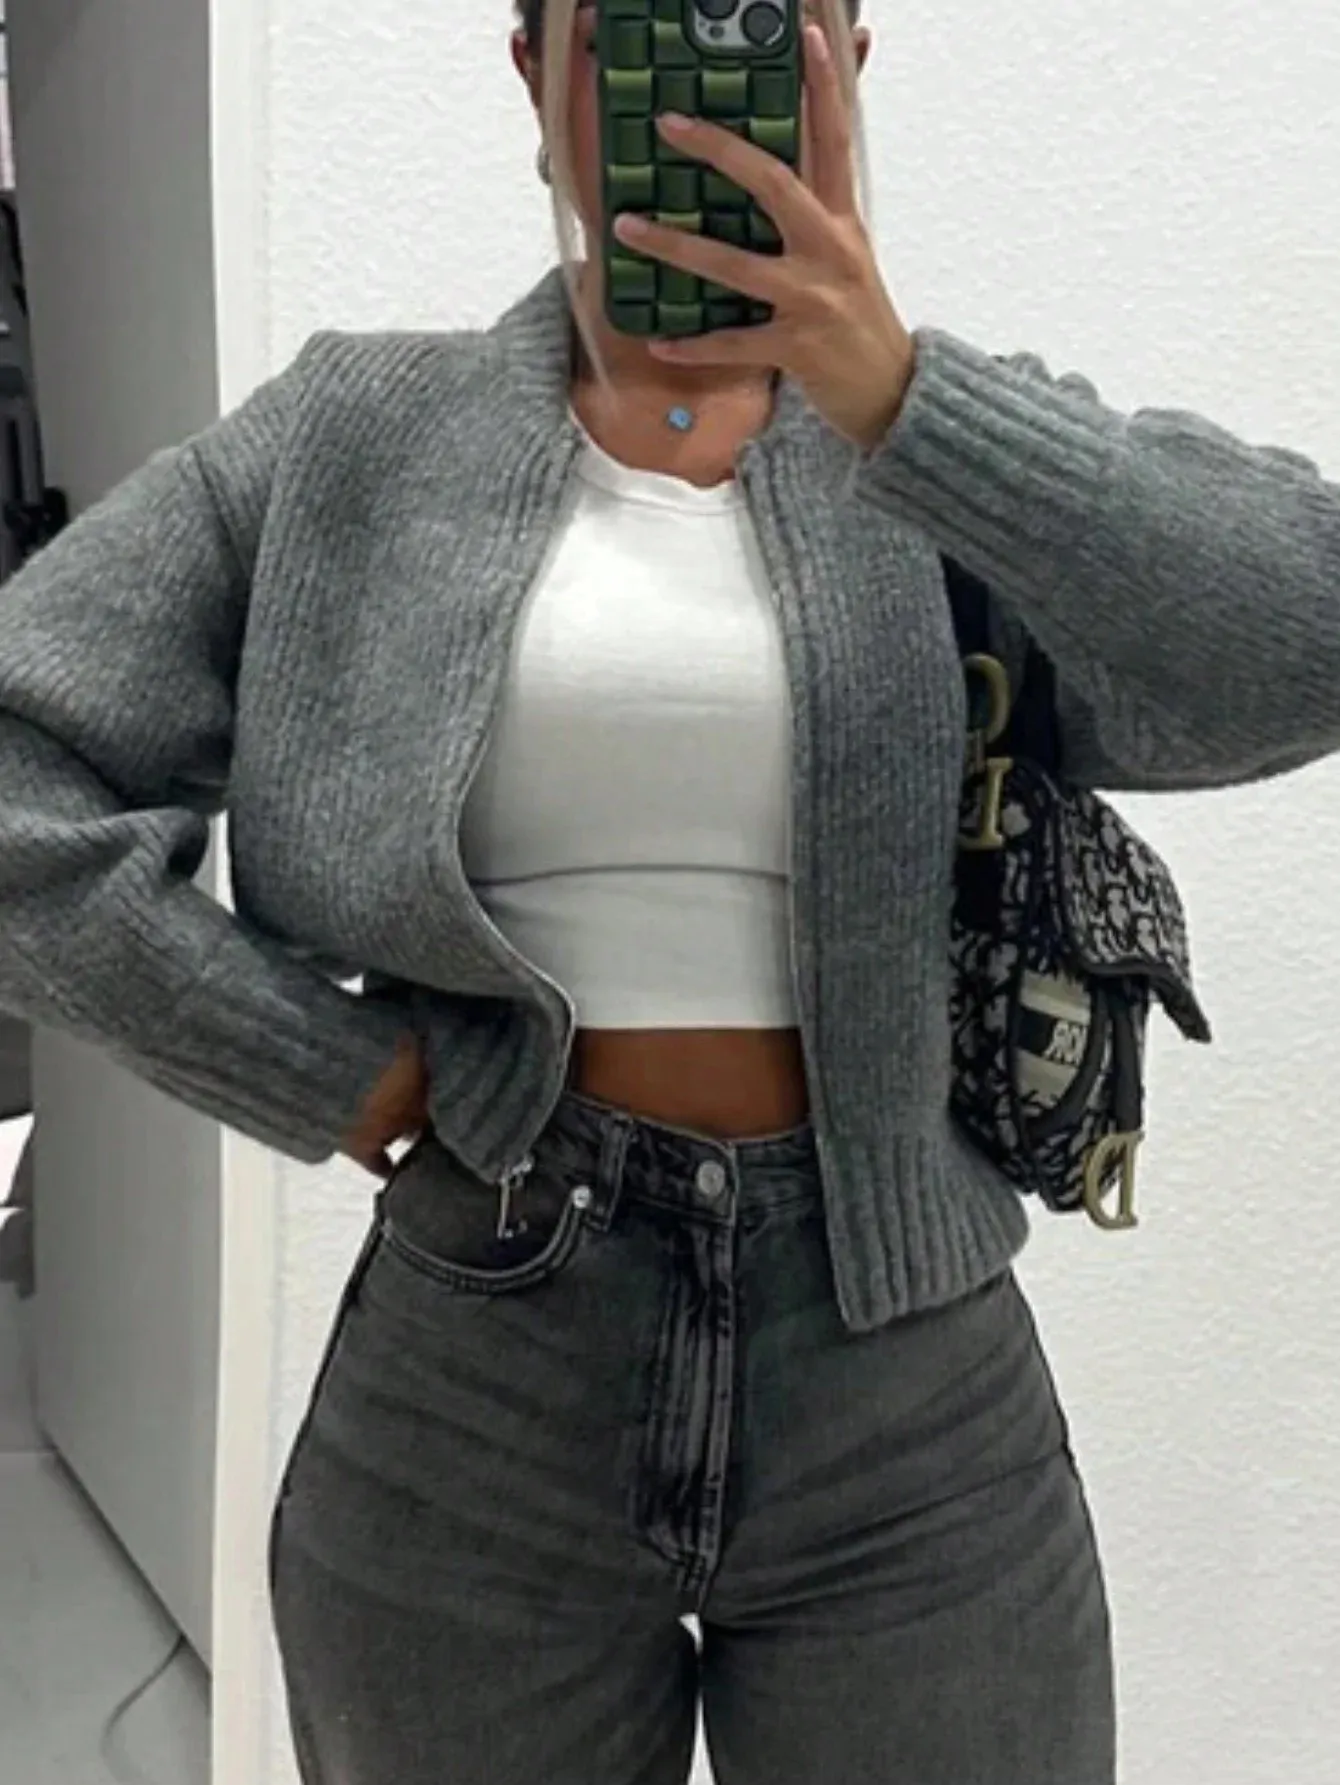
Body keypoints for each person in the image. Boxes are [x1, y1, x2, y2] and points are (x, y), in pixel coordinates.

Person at [1, 0, 1338, 1780]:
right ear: (536, 74)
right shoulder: (356, 434)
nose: (690, 92)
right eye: (627, 30)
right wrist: (321, 1069)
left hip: (902, 1372)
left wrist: (906, 397)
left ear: (848, 63)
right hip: (483, 1361)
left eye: (759, 28)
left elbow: (1310, 629)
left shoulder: (942, 453)